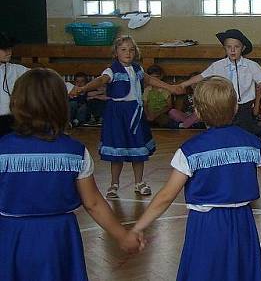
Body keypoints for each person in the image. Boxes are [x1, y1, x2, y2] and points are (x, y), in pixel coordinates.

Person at [129, 76, 261, 280]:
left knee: (205, 272)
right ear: (235, 108)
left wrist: (139, 226)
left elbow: (165, 196)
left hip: (206, 224)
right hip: (243, 222)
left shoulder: (190, 151)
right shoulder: (253, 143)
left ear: (198, 112)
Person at [0, 69, 143, 280]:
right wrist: (122, 235)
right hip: (59, 236)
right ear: (60, 104)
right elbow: (93, 202)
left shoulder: (2, 148)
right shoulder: (75, 151)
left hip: (10, 234)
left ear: (17, 102)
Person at [69, 36, 182, 199]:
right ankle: (114, 184)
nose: (128, 53)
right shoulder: (111, 70)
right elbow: (101, 80)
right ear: (116, 53)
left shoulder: (138, 69)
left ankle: (139, 182)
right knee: (117, 150)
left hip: (135, 113)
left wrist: (170, 87)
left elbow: (149, 79)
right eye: (123, 49)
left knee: (138, 149)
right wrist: (84, 88)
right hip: (117, 114)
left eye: (131, 49)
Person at [179, 29, 261, 135]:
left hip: (245, 107)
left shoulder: (251, 66)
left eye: (236, 47)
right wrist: (184, 84)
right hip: (225, 106)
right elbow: (202, 76)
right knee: (225, 131)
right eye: (229, 47)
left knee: (245, 132)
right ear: (225, 48)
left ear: (243, 48)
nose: (232, 50)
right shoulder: (218, 65)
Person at [0, 32, 28, 136]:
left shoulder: (17, 70)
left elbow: (42, 77)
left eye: (10, 48)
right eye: (4, 49)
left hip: (11, 122)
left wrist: (71, 88)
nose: (9, 52)